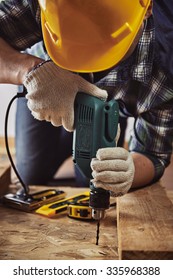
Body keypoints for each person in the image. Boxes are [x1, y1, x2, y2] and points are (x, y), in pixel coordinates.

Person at [0, 0, 173, 197]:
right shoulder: (40, 3)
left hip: (112, 101)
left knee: (93, 182)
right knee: (30, 175)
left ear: (147, 8)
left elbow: (154, 153)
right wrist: (30, 72)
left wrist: (129, 170)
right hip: (43, 88)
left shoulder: (167, 59)